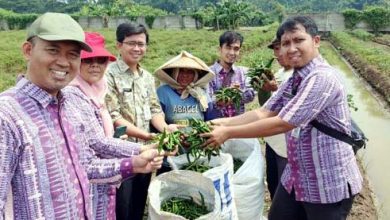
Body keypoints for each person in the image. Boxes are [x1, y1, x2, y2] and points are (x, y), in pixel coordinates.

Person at [0, 13, 164, 219]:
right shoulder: (7, 114)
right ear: (28, 50)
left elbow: (85, 166)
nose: (63, 62)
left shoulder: (73, 103)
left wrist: (134, 163)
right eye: (53, 50)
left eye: (73, 54)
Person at [203, 16, 362, 220]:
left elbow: (283, 122)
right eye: (286, 43)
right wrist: (221, 122)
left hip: (327, 181)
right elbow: (264, 111)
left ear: (316, 41)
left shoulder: (322, 78)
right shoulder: (296, 77)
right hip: (297, 176)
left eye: (298, 40)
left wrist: (227, 132)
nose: (291, 48)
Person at [105, 23, 177, 220]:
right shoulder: (108, 74)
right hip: (121, 151)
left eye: (141, 44)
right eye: (131, 43)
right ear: (119, 45)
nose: (137, 49)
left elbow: (154, 109)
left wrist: (165, 129)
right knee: (122, 203)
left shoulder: (146, 77)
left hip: (146, 149)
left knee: (139, 198)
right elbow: (113, 116)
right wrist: (146, 134)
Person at [65, 31, 117, 220]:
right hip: (87, 179)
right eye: (88, 60)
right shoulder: (71, 94)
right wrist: (138, 153)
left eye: (101, 60)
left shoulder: (97, 91)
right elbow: (95, 144)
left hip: (104, 173)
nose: (95, 65)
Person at [154, 51, 215, 173]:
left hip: (197, 152)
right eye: (181, 71)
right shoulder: (163, 92)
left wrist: (198, 137)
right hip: (171, 153)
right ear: (174, 73)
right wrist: (171, 134)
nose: (185, 75)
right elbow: (156, 120)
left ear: (196, 75)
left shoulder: (201, 93)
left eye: (190, 72)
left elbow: (210, 121)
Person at [260, 38, 293, 200]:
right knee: (273, 185)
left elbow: (293, 112)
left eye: (281, 48)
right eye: (275, 49)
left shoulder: (299, 76)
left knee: (285, 194)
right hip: (273, 144)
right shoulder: (279, 74)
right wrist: (264, 90)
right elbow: (265, 107)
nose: (278, 54)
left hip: (287, 150)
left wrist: (277, 89)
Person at [208, 30, 255, 118]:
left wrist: (237, 93)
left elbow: (251, 95)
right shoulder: (208, 73)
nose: (232, 53)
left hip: (237, 126)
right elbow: (207, 102)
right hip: (217, 126)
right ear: (220, 49)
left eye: (236, 49)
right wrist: (227, 95)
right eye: (228, 48)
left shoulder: (243, 72)